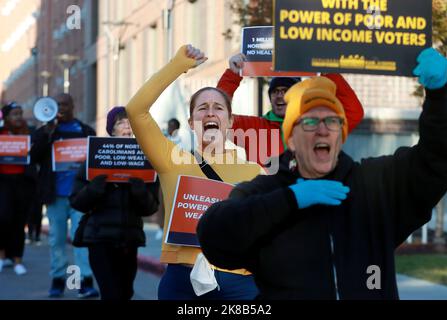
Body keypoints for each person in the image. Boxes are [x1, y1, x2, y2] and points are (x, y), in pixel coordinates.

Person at [198, 48, 447, 299]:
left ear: (341, 134)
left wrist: (438, 95)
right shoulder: (265, 190)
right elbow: (214, 236)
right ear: (291, 140)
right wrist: (288, 200)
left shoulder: (374, 185)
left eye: (332, 121)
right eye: (309, 121)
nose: (322, 130)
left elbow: (434, 162)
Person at [126, 45, 265, 300]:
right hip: (183, 281)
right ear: (191, 123)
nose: (210, 112)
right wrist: (176, 66)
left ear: (231, 122)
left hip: (240, 284)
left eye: (218, 108)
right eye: (202, 108)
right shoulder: (172, 161)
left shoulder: (256, 172)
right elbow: (136, 110)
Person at [69, 106, 160, 300]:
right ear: (112, 130)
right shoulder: (94, 158)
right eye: (121, 122)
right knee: (110, 294)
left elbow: (151, 207)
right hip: (99, 239)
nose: (127, 126)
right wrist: (94, 189)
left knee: (125, 293)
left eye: (131, 122)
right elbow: (76, 201)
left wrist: (139, 191)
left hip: (129, 240)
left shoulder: (145, 160)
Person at [216, 53, 364, 168]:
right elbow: (217, 119)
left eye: (286, 90)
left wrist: (326, 69)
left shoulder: (315, 126)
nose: (280, 96)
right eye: (275, 91)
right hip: (266, 201)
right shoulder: (254, 127)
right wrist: (233, 75)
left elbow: (354, 112)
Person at [30, 93, 99, 298]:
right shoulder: (45, 132)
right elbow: (32, 157)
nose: (61, 108)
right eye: (57, 104)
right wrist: (47, 134)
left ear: (73, 106)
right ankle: (58, 280)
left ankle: (82, 283)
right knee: (56, 241)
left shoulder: (86, 131)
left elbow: (96, 160)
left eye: (65, 104)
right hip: (56, 197)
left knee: (80, 242)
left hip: (80, 196)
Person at [0, 102, 37, 275]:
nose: (18, 117)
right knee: (3, 219)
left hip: (23, 182)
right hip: (3, 182)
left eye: (20, 113)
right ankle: (2, 257)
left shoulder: (29, 133)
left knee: (19, 221)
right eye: (15, 114)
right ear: (6, 117)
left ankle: (17, 260)